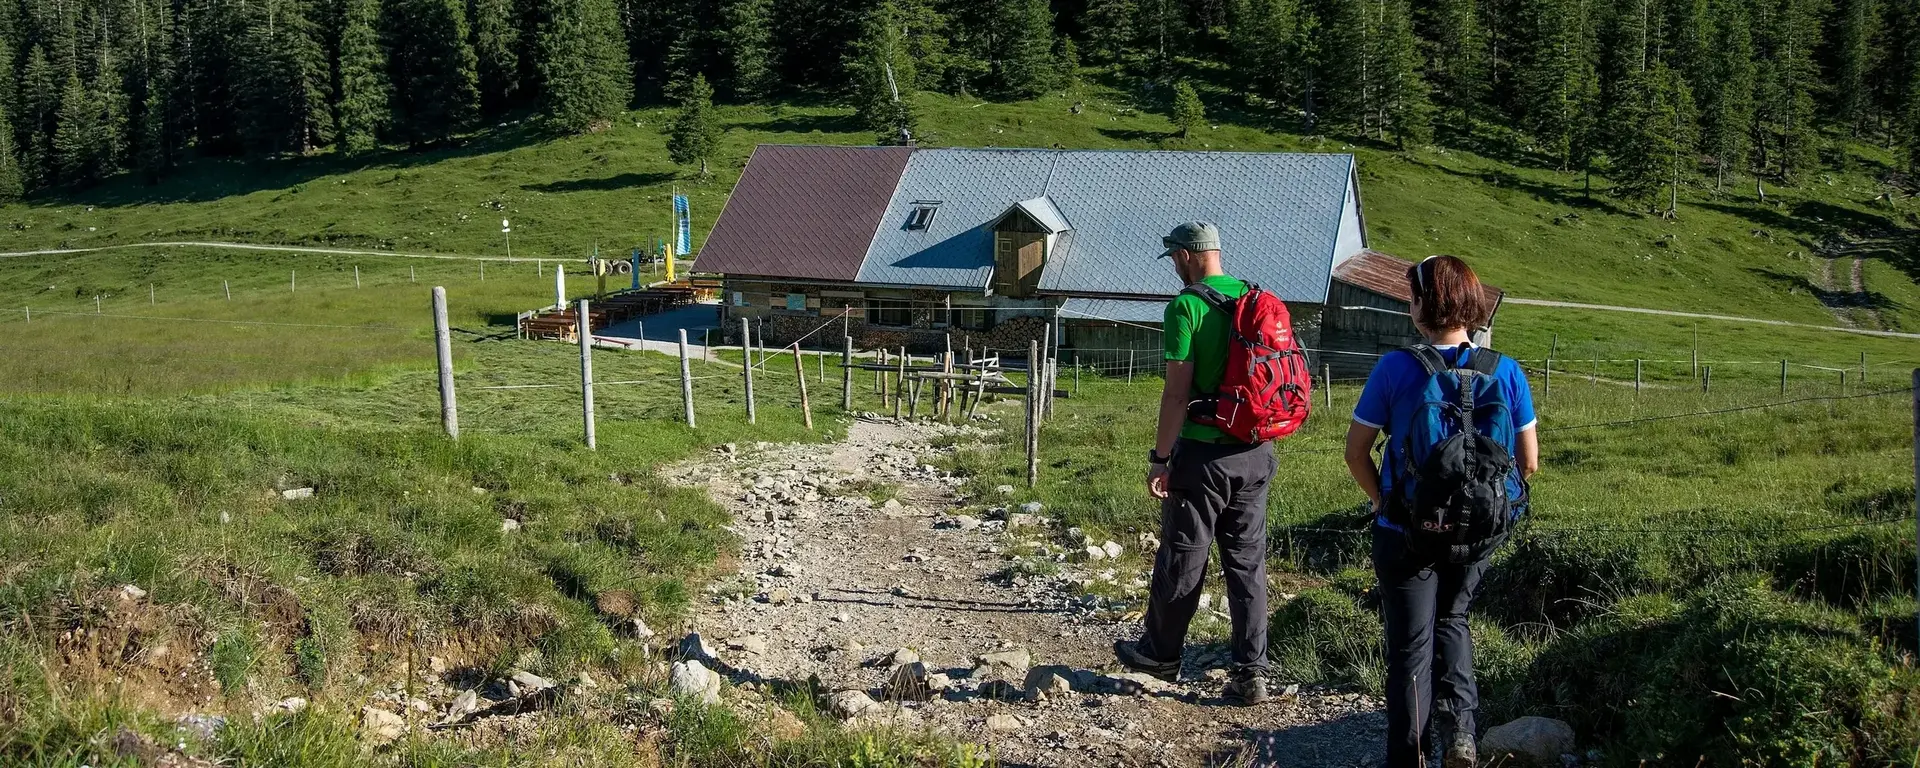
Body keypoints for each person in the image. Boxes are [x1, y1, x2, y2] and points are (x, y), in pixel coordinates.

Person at [1343, 255, 1539, 768]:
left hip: (1404, 528)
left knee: (1410, 645)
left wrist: (1383, 500)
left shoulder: (1396, 368)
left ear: (1422, 307)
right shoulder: (1508, 372)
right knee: (1454, 620)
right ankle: (1461, 737)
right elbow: (1530, 463)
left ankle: (1408, 758)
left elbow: (1355, 452)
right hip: (1478, 529)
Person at [1112, 221, 1274, 705]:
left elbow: (1177, 392)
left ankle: (1161, 654)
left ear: (1185, 255)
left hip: (1203, 454)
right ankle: (1251, 673)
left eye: (1175, 260)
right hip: (1257, 451)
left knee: (1184, 554)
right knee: (1248, 564)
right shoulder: (1256, 300)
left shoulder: (1186, 306)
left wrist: (1161, 458)